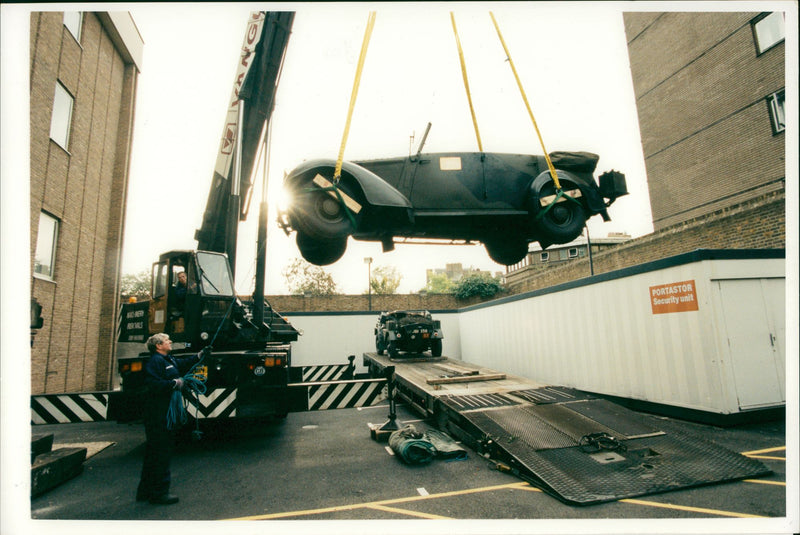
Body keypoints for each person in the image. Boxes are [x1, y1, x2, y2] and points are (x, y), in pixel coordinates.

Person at [136, 333, 201, 505]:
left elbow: (183, 364)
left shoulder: (168, 360)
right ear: (158, 346)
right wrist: (173, 384)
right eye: (166, 340)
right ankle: (159, 493)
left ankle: (144, 491)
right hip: (158, 415)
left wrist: (199, 356)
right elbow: (152, 384)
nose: (170, 342)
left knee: (153, 452)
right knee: (161, 452)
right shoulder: (155, 362)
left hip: (162, 413)